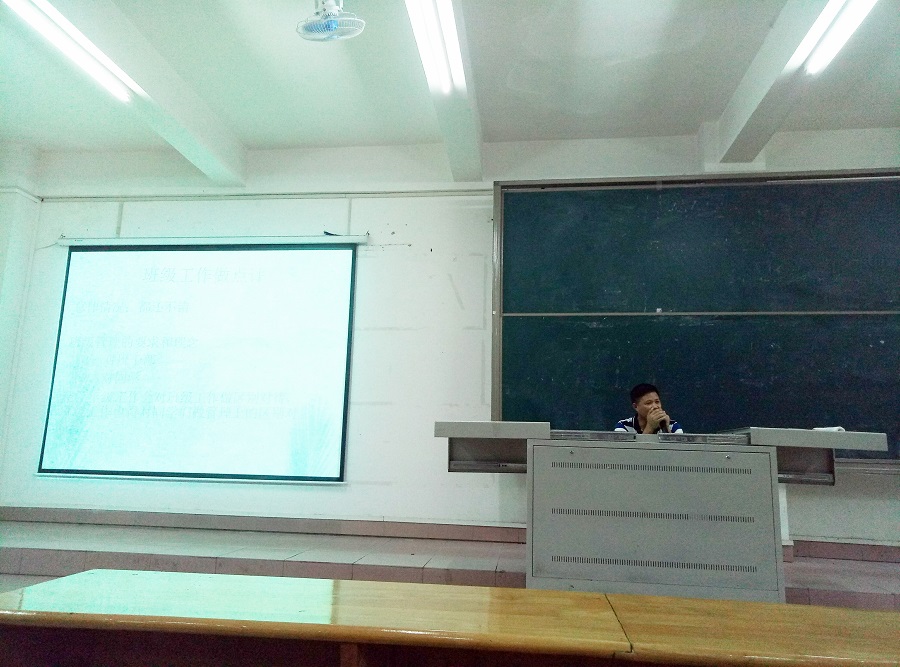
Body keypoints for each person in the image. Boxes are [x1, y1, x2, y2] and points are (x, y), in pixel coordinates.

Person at [614, 383, 683, 434]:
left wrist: (666, 429)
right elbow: (628, 450)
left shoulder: (673, 426)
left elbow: (677, 449)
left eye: (657, 402)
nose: (655, 406)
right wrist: (650, 427)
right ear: (635, 406)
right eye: (648, 403)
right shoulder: (623, 426)